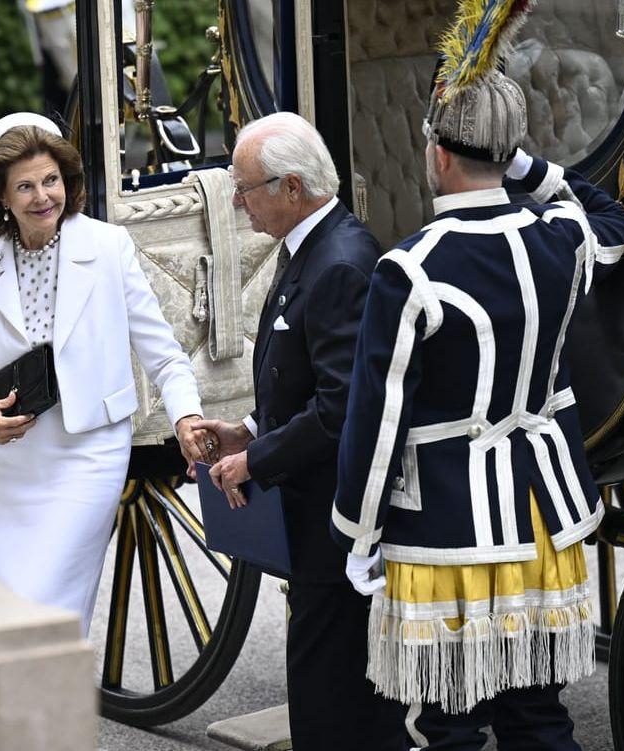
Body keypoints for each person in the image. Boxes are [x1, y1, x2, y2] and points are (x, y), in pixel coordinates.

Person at [329, 68, 624, 749]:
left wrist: (357, 532)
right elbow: (614, 218)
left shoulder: (408, 270)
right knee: (538, 719)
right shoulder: (560, 236)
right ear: (508, 153)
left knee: (446, 728)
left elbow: (378, 423)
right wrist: (527, 166)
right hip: (544, 523)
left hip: (447, 531)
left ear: (437, 153)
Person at [0, 113, 212, 635]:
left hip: (89, 456)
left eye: (51, 181)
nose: (43, 196)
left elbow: (164, 355)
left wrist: (186, 418)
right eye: (24, 186)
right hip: (15, 467)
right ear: (1, 195)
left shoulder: (108, 248)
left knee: (48, 613)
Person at [195, 112, 407, 751]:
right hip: (317, 512)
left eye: (244, 186)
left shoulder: (339, 262)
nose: (236, 200)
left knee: (330, 695)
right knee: (330, 688)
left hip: (335, 516)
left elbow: (341, 407)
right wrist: (247, 429)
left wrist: (256, 460)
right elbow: (305, 377)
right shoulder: (311, 248)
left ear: (291, 188)